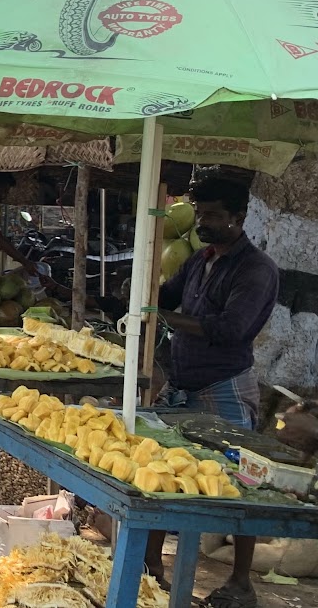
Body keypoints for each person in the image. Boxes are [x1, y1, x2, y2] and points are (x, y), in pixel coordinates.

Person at [142, 176, 278, 606]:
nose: (203, 222)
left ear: (239, 217)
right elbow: (167, 295)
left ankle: (240, 581)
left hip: (224, 385)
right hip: (183, 382)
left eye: (214, 216)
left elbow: (230, 329)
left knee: (240, 481)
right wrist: (139, 291)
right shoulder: (200, 259)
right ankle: (151, 566)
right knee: (162, 470)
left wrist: (160, 316)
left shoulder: (256, 270)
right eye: (200, 214)